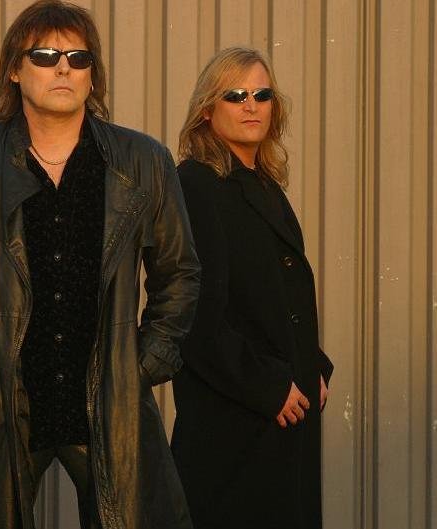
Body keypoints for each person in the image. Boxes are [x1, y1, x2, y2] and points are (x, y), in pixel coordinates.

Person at [0, 1, 200, 528]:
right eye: (44, 56)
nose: (63, 68)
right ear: (14, 70)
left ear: (92, 75)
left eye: (78, 58)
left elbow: (179, 273)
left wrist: (143, 364)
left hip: (108, 401)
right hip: (2, 399)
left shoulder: (143, 160)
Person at [170, 46, 334, 529]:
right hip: (235, 422)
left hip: (281, 412)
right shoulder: (196, 185)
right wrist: (268, 385)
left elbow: (276, 299)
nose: (251, 106)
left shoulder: (263, 184)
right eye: (235, 95)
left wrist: (312, 365)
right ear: (207, 109)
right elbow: (196, 317)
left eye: (262, 95)